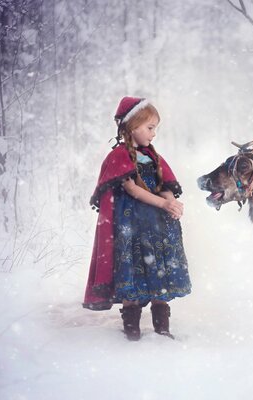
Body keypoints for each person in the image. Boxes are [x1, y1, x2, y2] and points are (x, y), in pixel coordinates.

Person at [83, 96, 191, 341]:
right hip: (132, 227)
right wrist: (163, 202)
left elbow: (166, 183)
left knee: (159, 270)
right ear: (133, 126)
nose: (154, 134)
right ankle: (132, 327)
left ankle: (162, 327)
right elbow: (132, 189)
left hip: (157, 227)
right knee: (133, 269)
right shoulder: (119, 156)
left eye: (155, 128)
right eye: (150, 128)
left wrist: (171, 202)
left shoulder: (152, 157)